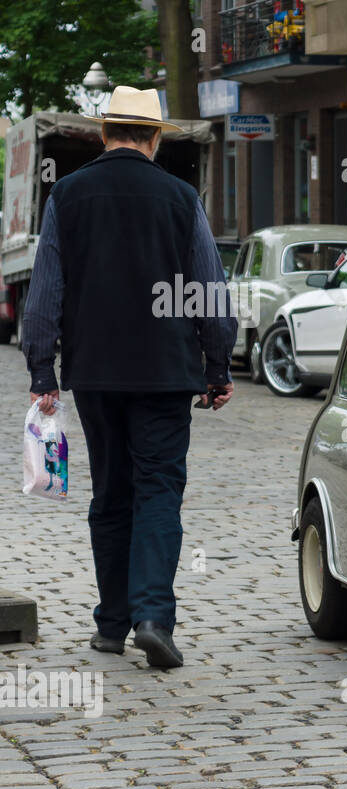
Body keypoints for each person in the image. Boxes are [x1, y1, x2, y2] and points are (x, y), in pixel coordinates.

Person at [23, 86, 238, 669]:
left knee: (110, 494)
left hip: (94, 373)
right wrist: (217, 364)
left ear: (104, 133)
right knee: (159, 492)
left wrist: (43, 368)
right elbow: (207, 288)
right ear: (156, 136)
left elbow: (45, 292)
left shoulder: (66, 195)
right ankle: (152, 617)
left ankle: (111, 624)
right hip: (167, 375)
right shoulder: (180, 196)